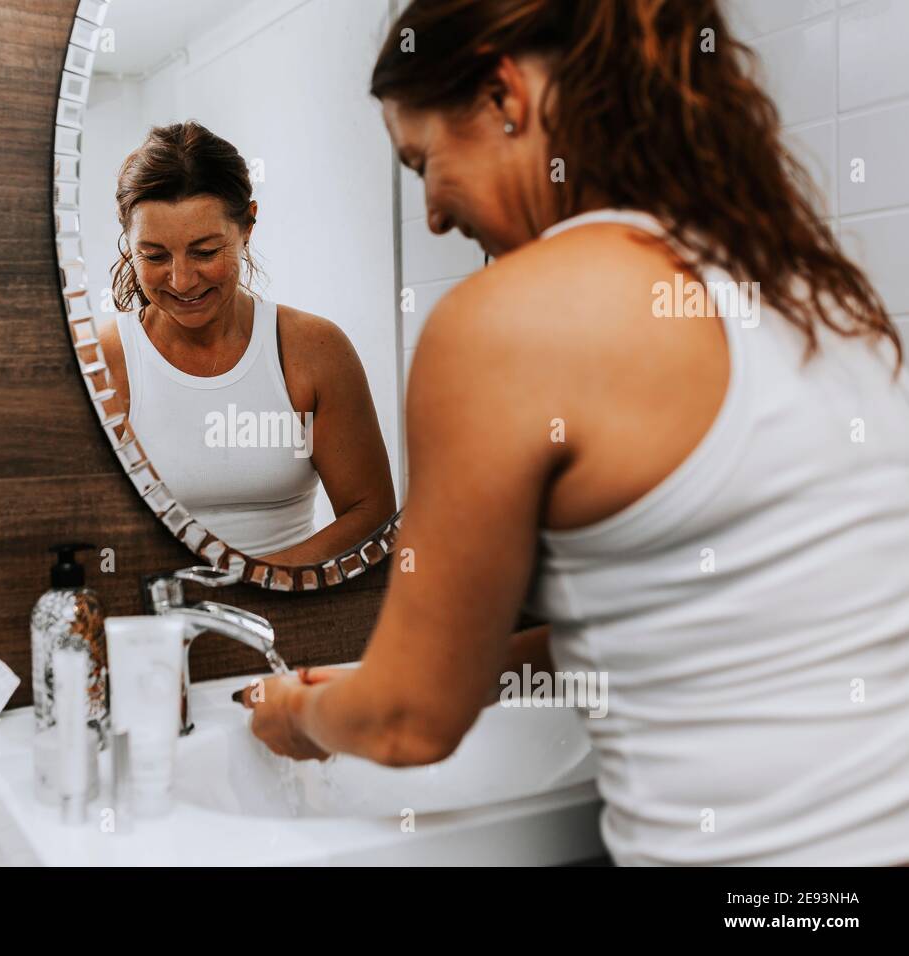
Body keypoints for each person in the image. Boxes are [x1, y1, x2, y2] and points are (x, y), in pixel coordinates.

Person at [244, 0, 909, 866]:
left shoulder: (506, 318)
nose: (435, 215)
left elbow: (412, 723)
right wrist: (438, 662)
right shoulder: (811, 292)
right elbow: (693, 615)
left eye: (422, 162)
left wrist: (299, 715)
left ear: (503, 94)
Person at [98, 122, 396, 564]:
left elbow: (370, 513)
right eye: (155, 256)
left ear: (248, 225)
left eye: (205, 252)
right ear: (128, 241)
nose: (181, 280)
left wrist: (252, 588)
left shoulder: (315, 349)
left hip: (294, 610)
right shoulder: (102, 359)